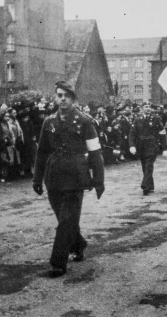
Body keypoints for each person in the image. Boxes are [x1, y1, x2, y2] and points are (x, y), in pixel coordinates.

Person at [33, 81, 105, 278]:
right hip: (54, 176)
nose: (62, 98)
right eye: (59, 95)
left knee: (66, 221)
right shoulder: (49, 122)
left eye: (66, 95)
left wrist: (98, 181)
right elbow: (41, 152)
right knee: (64, 218)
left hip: (76, 177)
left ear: (73, 99)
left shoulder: (85, 121)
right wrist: (37, 179)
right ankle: (79, 243)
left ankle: (58, 263)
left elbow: (95, 153)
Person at [129, 101, 167, 195]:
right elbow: (132, 134)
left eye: (149, 107)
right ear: (142, 108)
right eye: (146, 107)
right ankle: (150, 185)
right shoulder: (137, 119)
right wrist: (132, 146)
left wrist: (165, 148)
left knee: (149, 165)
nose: (148, 108)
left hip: (152, 145)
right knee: (144, 166)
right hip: (141, 146)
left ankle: (145, 185)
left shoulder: (156, 118)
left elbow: (162, 133)